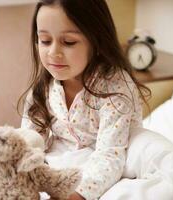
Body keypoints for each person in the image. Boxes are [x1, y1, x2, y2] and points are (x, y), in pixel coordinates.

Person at [17, 0, 151, 199]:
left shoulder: (116, 88)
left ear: (96, 41)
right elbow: (30, 138)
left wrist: (76, 195)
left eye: (68, 42)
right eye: (45, 41)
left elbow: (110, 155)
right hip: (64, 161)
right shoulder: (45, 86)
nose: (53, 52)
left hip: (104, 168)